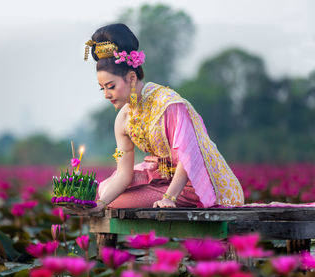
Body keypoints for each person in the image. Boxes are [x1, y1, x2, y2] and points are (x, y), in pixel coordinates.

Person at [84, 23, 244, 211]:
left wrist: (169, 198)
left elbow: (188, 157)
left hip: (193, 183)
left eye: (111, 86)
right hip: (161, 178)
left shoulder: (169, 104)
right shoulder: (123, 119)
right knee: (104, 190)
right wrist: (100, 204)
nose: (106, 95)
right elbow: (123, 173)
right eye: (102, 88)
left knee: (116, 200)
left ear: (132, 78)